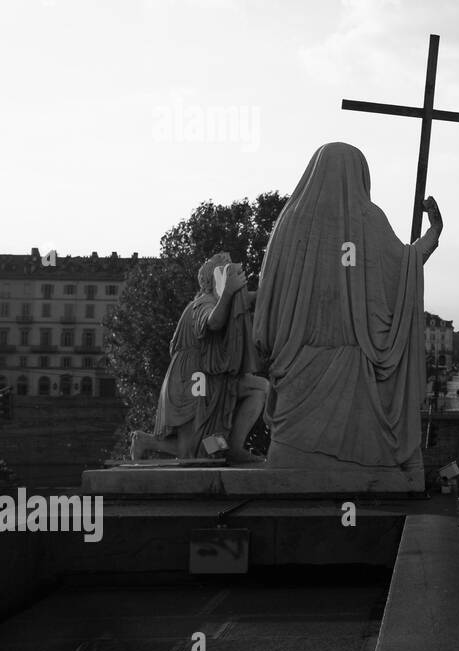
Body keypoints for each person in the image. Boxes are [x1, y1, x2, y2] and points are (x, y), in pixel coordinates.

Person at [253, 143, 441, 487]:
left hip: (296, 369)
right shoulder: (367, 219)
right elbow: (403, 273)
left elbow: (268, 296)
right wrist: (433, 233)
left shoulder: (287, 224)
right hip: (353, 370)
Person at [130, 252, 267, 464]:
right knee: (192, 452)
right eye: (226, 273)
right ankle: (145, 441)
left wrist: (268, 290)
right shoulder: (203, 303)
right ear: (215, 280)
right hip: (193, 380)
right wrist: (229, 292)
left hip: (209, 376)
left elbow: (244, 301)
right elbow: (213, 322)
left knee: (259, 389)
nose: (231, 278)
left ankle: (234, 448)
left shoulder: (218, 300)